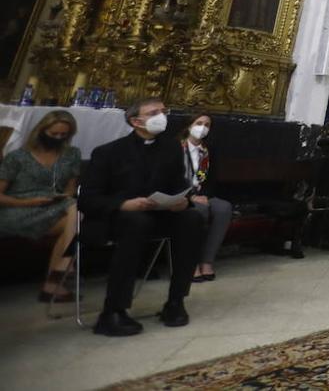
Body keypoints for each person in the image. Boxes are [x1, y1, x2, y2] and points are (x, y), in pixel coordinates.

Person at [80, 97, 205, 336]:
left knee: (193, 219)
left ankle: (176, 302)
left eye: (163, 110)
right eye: (154, 112)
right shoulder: (108, 153)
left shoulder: (170, 149)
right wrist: (123, 204)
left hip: (158, 215)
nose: (162, 116)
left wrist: (182, 201)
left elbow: (179, 185)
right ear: (135, 121)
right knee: (136, 221)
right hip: (118, 219)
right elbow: (87, 199)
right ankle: (113, 311)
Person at [0, 110, 80, 302]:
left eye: (63, 135)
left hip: (53, 207)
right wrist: (30, 202)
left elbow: (70, 189)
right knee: (76, 213)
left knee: (74, 216)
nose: (59, 138)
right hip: (17, 209)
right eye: (54, 134)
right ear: (42, 131)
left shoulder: (71, 154)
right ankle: (60, 273)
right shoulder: (17, 157)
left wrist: (59, 197)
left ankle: (52, 283)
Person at [181, 113, 232, 282]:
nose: (203, 127)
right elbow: (172, 178)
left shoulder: (208, 150)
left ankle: (207, 261)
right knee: (200, 209)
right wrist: (191, 196)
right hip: (182, 195)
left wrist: (204, 195)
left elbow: (212, 179)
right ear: (189, 125)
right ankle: (190, 262)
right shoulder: (177, 148)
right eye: (199, 123)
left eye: (207, 125)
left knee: (223, 207)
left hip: (203, 193)